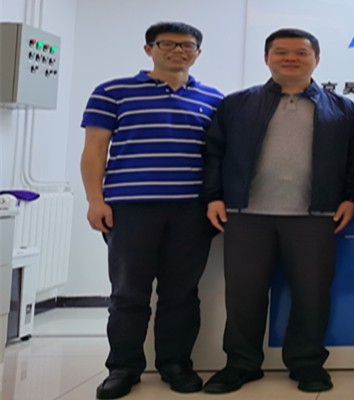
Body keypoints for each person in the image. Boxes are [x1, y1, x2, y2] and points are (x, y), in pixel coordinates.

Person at [200, 28, 354, 394]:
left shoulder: (342, 108)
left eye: (301, 52)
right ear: (266, 58)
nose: (291, 58)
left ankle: (306, 363)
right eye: (281, 52)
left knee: (312, 293)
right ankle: (241, 364)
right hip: (246, 214)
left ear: (316, 59)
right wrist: (213, 196)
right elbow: (214, 152)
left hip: (315, 216)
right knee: (244, 295)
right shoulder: (237, 104)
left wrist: (351, 197)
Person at [80, 22, 222, 399]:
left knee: (182, 292)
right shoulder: (112, 92)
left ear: (198, 53)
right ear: (149, 49)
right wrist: (95, 200)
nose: (177, 51)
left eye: (186, 45)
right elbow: (94, 150)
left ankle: (175, 364)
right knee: (128, 293)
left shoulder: (214, 99)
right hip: (130, 208)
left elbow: (217, 157)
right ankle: (123, 368)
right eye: (167, 44)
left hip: (191, 211)